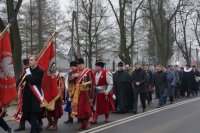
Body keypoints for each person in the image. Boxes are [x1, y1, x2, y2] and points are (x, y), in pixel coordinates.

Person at [22, 55, 44, 133]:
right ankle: (37, 128)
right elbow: (20, 80)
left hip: (35, 95)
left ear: (36, 61)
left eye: (31, 60)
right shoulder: (27, 71)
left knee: (33, 115)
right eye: (29, 60)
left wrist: (27, 75)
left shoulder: (40, 71)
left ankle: (33, 130)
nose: (30, 61)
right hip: (27, 95)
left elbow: (32, 81)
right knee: (26, 114)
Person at [71, 58, 94, 130]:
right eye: (78, 65)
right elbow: (70, 80)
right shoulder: (76, 72)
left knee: (85, 109)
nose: (79, 66)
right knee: (79, 109)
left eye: (80, 65)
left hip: (85, 92)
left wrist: (86, 83)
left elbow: (92, 81)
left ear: (83, 64)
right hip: (77, 93)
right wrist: (73, 77)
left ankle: (87, 123)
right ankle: (82, 124)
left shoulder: (88, 71)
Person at [14, 58, 29, 132]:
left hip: (26, 93)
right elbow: (20, 80)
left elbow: (21, 80)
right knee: (22, 109)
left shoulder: (27, 71)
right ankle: (22, 125)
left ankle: (37, 124)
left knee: (25, 110)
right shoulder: (25, 70)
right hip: (22, 92)